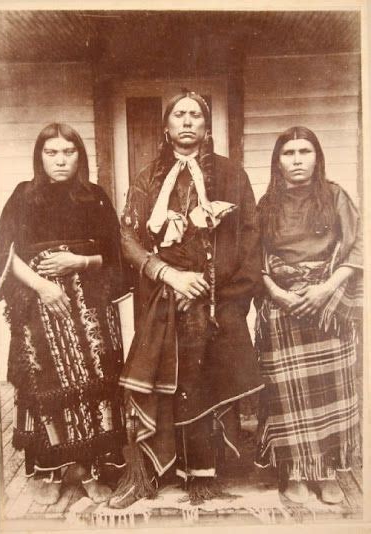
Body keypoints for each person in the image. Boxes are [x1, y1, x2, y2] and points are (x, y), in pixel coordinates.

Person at [110, 91, 263, 508]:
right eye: (179, 114)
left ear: (207, 127)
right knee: (159, 382)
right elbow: (127, 240)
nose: (188, 121)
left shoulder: (233, 175)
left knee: (205, 380)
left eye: (196, 115)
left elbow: (250, 237)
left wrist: (224, 296)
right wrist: (169, 275)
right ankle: (149, 475)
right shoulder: (147, 178)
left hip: (215, 303)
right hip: (162, 299)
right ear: (166, 127)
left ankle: (204, 475)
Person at [0, 123, 128, 505]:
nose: (60, 160)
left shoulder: (96, 197)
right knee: (44, 385)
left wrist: (80, 260)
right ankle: (51, 471)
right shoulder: (23, 196)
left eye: (67, 152)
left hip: (90, 307)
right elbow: (6, 254)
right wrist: (42, 286)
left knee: (95, 383)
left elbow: (115, 255)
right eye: (51, 152)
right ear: (39, 156)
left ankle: (89, 470)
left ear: (79, 156)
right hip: (39, 306)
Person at [255, 126, 362, 505]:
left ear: (317, 157)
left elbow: (359, 247)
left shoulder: (335, 197)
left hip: (327, 306)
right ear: (278, 160)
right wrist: (278, 294)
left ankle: (329, 469)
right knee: (286, 395)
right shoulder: (265, 205)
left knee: (332, 392)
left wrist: (326, 288)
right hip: (281, 307)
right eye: (288, 153)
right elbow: (255, 261)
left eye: (305, 151)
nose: (297, 160)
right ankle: (295, 471)